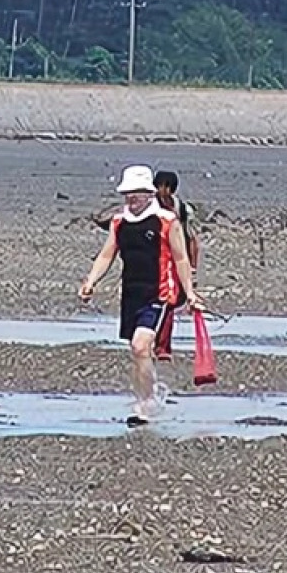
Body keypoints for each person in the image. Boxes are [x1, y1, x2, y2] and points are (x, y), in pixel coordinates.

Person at [80, 165, 204, 424]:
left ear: (149, 193)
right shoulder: (119, 221)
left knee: (141, 345)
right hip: (131, 294)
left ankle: (147, 405)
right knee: (137, 353)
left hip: (159, 293)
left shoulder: (166, 221)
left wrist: (190, 293)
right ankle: (143, 397)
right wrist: (91, 281)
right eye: (127, 193)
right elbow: (107, 254)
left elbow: (181, 258)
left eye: (136, 192)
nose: (131, 198)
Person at [152, 169, 199, 361]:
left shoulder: (182, 210)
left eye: (166, 188)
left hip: (175, 261)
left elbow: (191, 239)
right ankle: (152, 342)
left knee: (171, 302)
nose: (162, 192)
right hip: (153, 261)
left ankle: (162, 346)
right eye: (159, 187)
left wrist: (192, 268)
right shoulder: (149, 207)